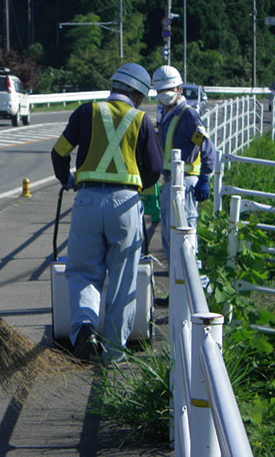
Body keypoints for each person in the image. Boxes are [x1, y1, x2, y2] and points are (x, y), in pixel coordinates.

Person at [51, 63, 163, 363]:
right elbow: (154, 169)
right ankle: (114, 352)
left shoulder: (86, 111)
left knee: (83, 272)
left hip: (87, 201)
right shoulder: (142, 121)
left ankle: (85, 328)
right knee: (123, 279)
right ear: (138, 94)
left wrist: (69, 180)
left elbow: (59, 152)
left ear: (114, 85)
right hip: (125, 205)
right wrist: (137, 186)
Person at [152, 65, 216, 264]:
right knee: (170, 239)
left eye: (168, 90)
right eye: (160, 91)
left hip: (185, 183)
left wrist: (205, 177)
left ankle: (190, 290)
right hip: (169, 182)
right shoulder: (167, 115)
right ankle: (175, 293)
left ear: (179, 89)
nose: (163, 95)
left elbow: (206, 146)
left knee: (185, 238)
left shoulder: (188, 115)